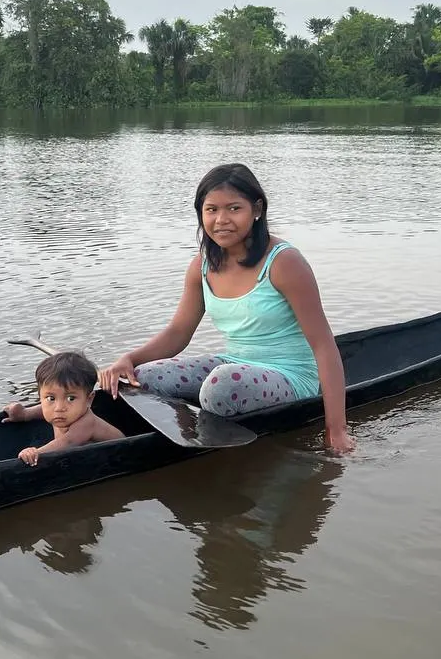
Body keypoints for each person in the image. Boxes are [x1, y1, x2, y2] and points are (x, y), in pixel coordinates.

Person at [96, 163, 356, 455]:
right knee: (142, 377)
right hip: (234, 364)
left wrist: (337, 429)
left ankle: (201, 434)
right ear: (201, 213)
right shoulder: (202, 266)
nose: (221, 220)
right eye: (211, 210)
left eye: (234, 209)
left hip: (291, 375)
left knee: (219, 387)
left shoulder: (284, 263)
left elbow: (324, 346)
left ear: (256, 210)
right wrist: (129, 359)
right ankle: (183, 432)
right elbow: (178, 333)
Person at [3, 350, 126, 465]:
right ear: (40, 396)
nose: (59, 408)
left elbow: (68, 442)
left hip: (120, 456)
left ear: (89, 399)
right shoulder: (61, 413)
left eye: (70, 398)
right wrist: (23, 413)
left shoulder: (87, 422)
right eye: (51, 398)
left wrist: (36, 452)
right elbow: (40, 410)